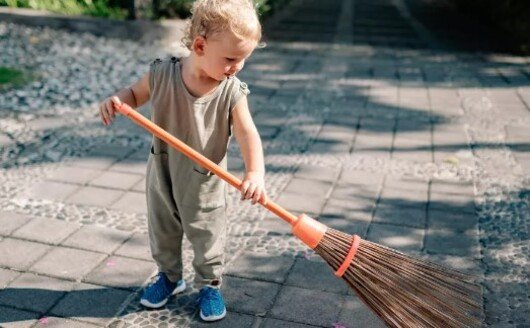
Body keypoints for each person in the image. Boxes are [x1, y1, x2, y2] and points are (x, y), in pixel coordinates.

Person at [98, 0, 266, 321]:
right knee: (163, 228)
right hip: (162, 170)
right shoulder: (162, 73)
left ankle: (210, 285)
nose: (238, 66)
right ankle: (169, 277)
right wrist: (118, 99)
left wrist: (255, 172)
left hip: (204, 178)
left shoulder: (231, 91)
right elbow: (134, 95)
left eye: (244, 59)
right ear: (200, 45)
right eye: (231, 58)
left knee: (207, 234)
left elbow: (247, 134)